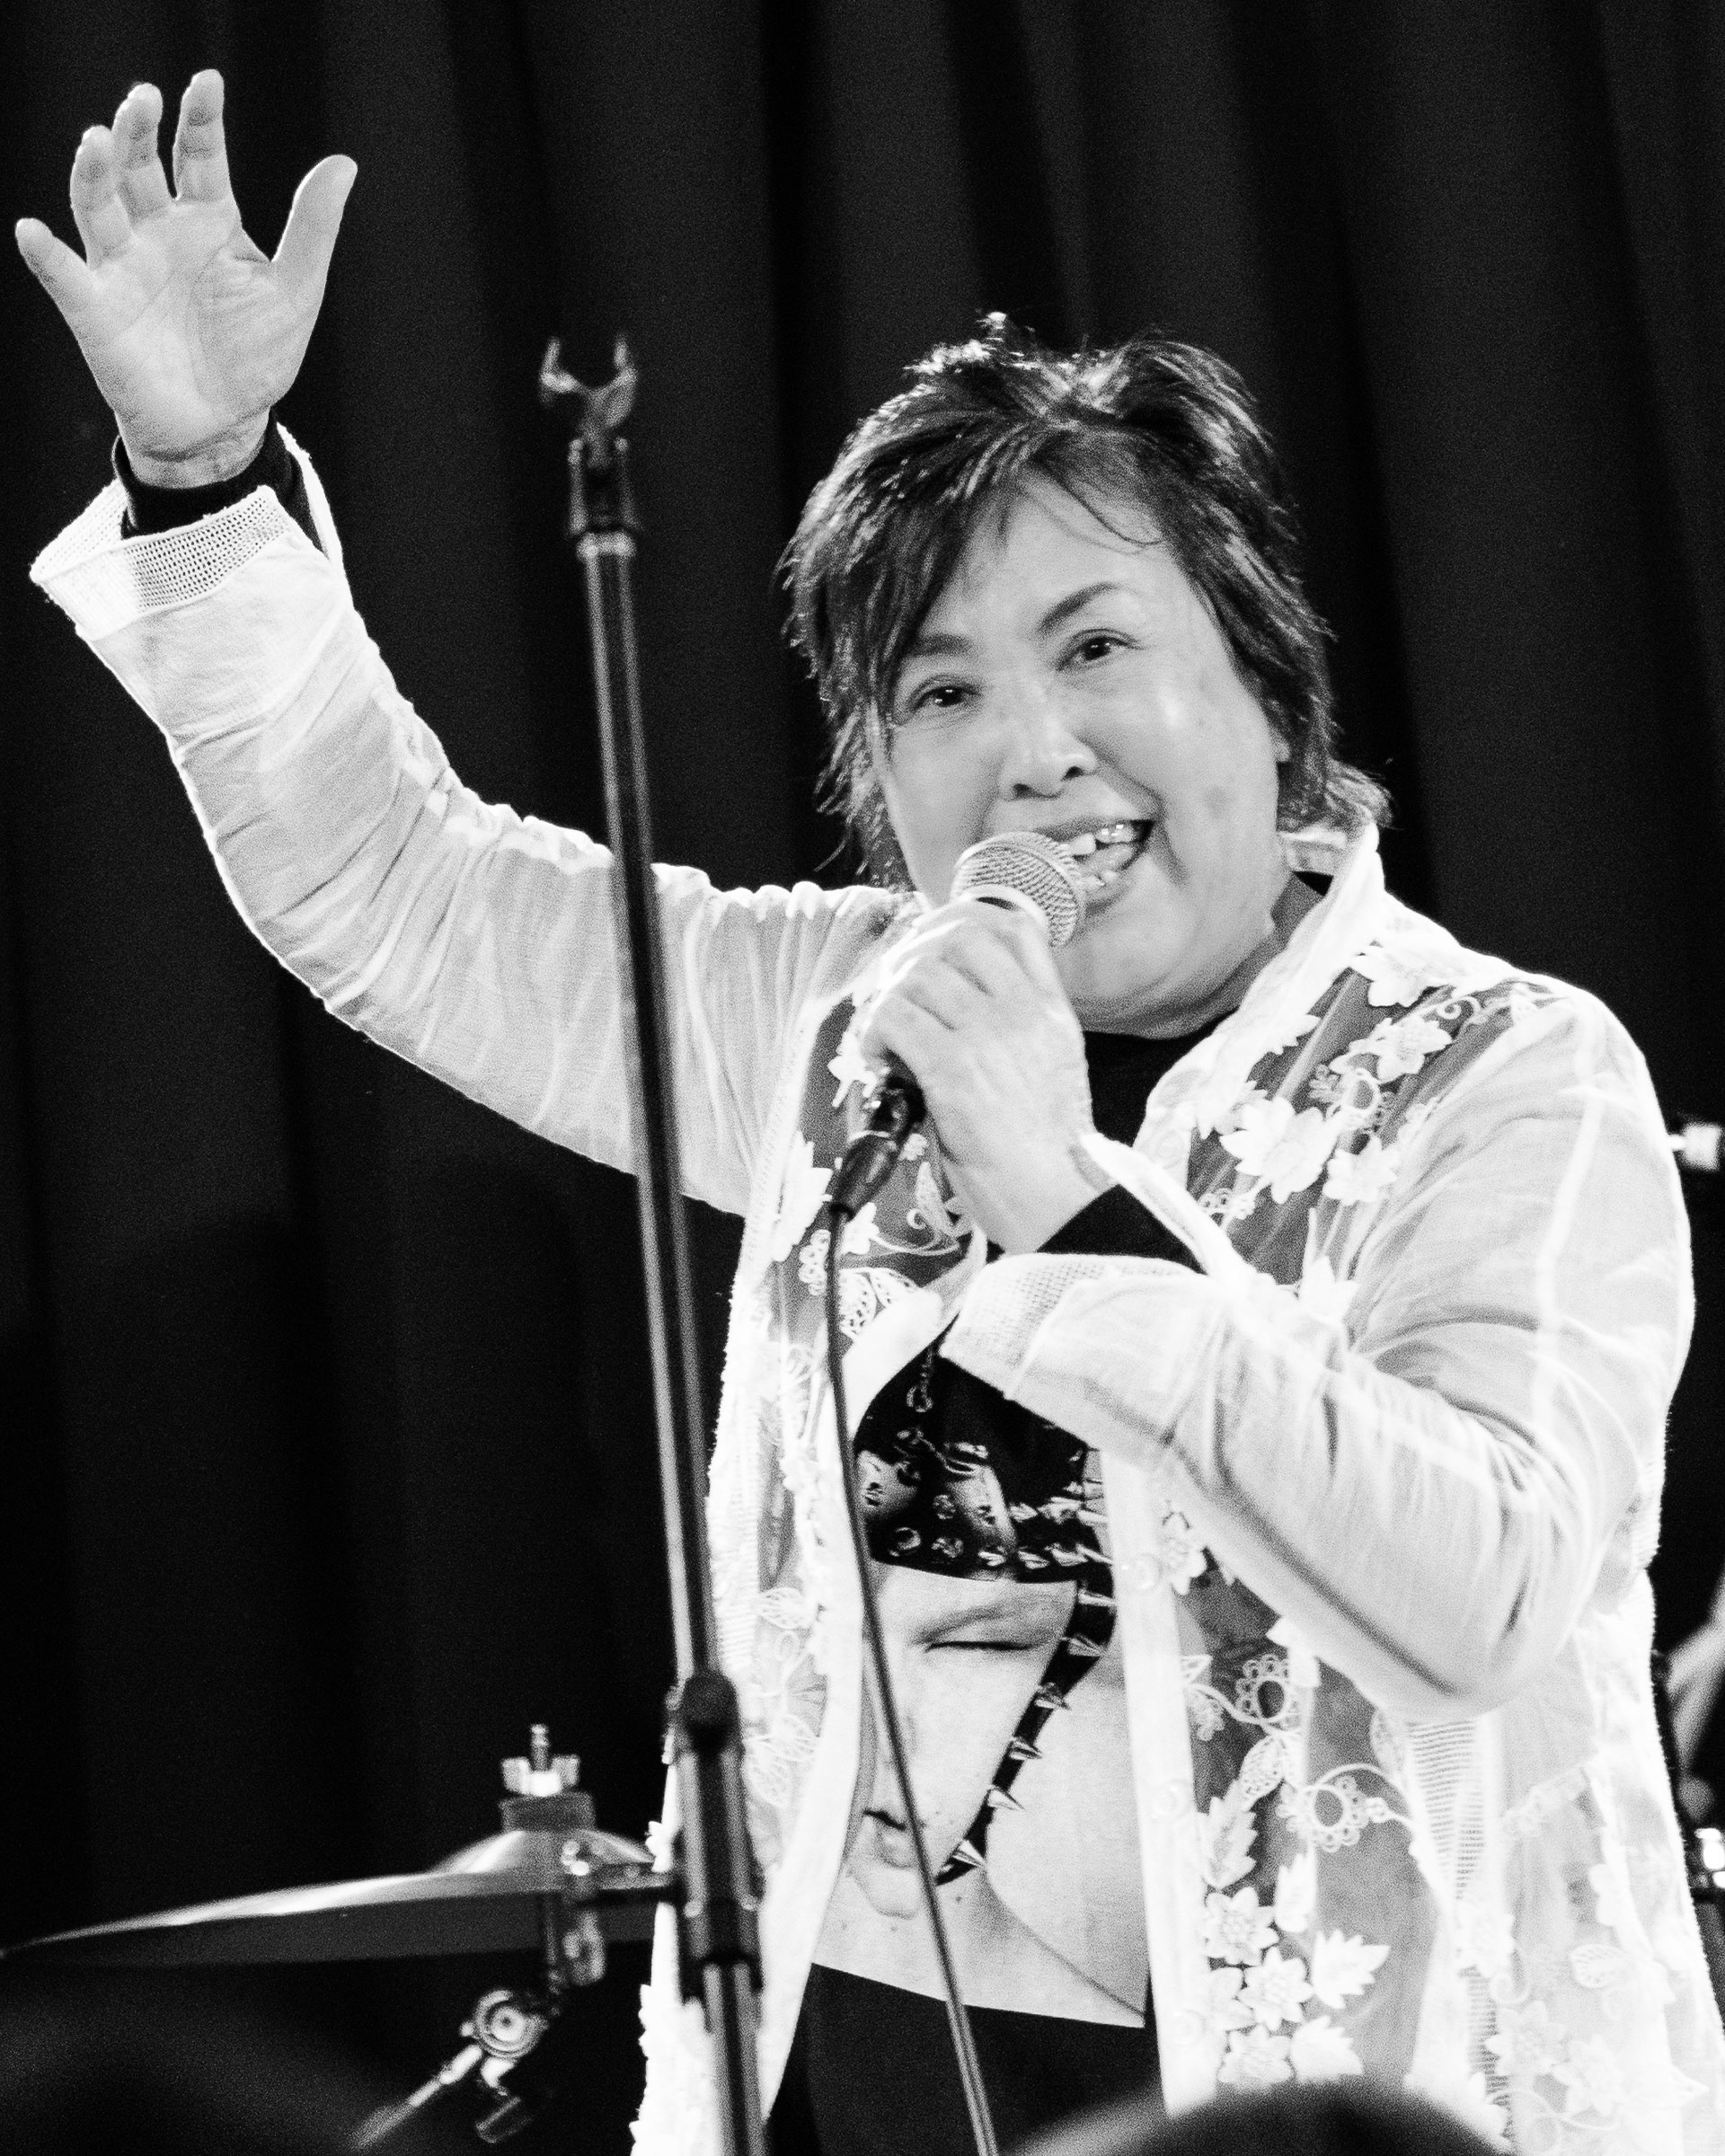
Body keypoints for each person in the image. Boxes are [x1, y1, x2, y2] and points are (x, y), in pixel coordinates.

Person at [19, 69, 1725, 2156]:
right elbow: (400, 893)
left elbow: (1489, 1595)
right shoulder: (845, 1015)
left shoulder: (1503, 1073)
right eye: (942, 692)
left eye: (1097, 647)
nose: (1035, 751)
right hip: (869, 2072)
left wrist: (1060, 1191)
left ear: (1274, 699)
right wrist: (201, 482)